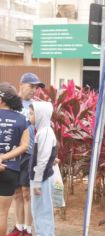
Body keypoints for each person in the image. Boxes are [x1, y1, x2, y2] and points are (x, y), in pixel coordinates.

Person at [7, 73, 44, 236]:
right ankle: (18, 226)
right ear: (21, 84)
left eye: (36, 87)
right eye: (32, 86)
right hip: (14, 154)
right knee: (16, 193)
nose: (34, 90)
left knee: (27, 193)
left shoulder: (37, 106)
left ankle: (28, 230)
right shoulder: (11, 105)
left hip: (30, 154)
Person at [0, 82, 29, 236]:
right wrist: (3, 157)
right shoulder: (21, 119)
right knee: (2, 214)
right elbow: (24, 146)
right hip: (10, 170)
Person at [28, 101, 57, 235]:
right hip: (40, 178)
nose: (29, 116)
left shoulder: (44, 132)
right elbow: (46, 155)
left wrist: (37, 182)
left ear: (41, 115)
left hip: (41, 179)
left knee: (42, 213)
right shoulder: (43, 131)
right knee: (39, 211)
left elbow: (42, 160)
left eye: (32, 113)